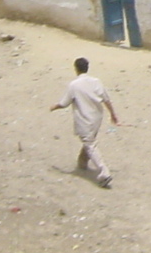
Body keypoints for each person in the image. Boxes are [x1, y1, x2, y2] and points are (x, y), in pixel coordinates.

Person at [50, 57, 119, 188]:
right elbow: (106, 99)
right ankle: (82, 163)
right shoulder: (96, 81)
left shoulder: (74, 85)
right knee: (89, 141)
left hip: (84, 119)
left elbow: (64, 103)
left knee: (90, 144)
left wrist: (54, 107)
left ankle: (104, 171)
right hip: (97, 117)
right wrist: (113, 114)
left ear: (76, 69)